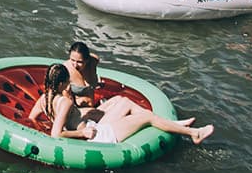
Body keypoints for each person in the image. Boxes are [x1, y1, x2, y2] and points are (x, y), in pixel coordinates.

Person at [37, 61, 211, 145]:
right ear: (60, 84)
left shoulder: (44, 98)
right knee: (147, 118)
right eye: (68, 82)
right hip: (98, 135)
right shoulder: (64, 102)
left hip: (91, 127)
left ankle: (174, 125)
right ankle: (193, 133)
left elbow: (33, 117)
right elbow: (56, 134)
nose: (70, 84)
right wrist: (83, 134)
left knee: (124, 102)